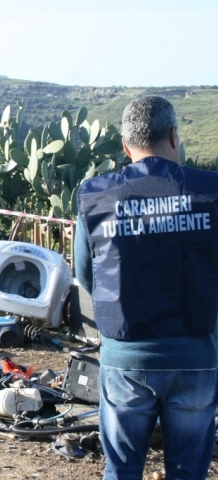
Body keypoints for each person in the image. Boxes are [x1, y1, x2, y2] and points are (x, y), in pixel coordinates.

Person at [74, 95, 218, 479]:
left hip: (125, 359)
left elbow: (86, 274)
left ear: (125, 146)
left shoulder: (96, 195)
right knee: (189, 472)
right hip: (195, 357)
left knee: (121, 470)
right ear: (174, 136)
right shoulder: (212, 192)